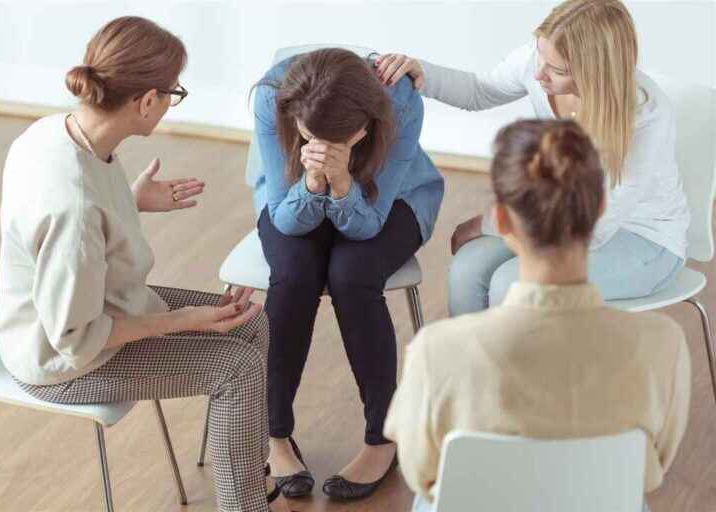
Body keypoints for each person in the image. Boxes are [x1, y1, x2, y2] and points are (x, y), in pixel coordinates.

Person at [0, 16, 291, 512]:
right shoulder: (76, 206)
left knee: (251, 323)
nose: (172, 103)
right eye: (173, 92)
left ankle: (247, 478)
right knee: (236, 367)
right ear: (145, 101)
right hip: (63, 359)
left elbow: (82, 239)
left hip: (103, 304)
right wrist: (182, 321)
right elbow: (74, 336)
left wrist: (130, 201)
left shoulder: (57, 132)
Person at [384, 119, 690, 512]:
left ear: (503, 220)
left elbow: (422, 474)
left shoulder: (435, 351)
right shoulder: (662, 344)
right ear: (599, 208)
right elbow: (652, 470)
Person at [376, 0, 690, 316]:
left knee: (512, 285)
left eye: (558, 70)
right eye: (540, 55)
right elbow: (478, 90)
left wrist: (490, 224)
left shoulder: (646, 116)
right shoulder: (540, 61)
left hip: (643, 239)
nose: (539, 74)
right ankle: (470, 364)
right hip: (560, 219)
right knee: (466, 269)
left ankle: (524, 365)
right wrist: (420, 72)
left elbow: (596, 226)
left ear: (596, 72)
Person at [251, 47, 444, 501]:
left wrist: (341, 183)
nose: (324, 145)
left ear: (365, 126)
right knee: (294, 272)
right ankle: (274, 435)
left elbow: (367, 224)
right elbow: (285, 218)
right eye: (312, 135)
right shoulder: (271, 97)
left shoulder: (398, 101)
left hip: (393, 201)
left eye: (340, 138)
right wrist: (314, 181)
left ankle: (383, 439)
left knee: (352, 273)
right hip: (290, 202)